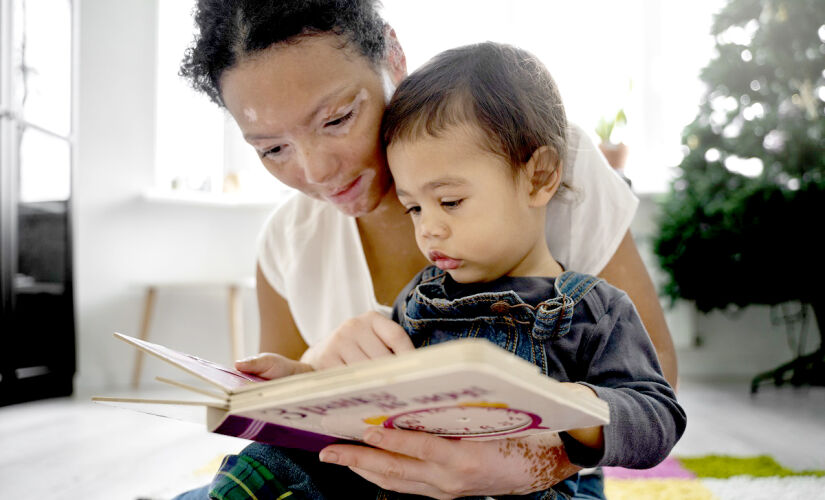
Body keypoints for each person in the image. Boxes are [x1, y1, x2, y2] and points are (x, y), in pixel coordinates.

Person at [175, 0, 679, 498]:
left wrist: (540, 458)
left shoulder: (531, 156)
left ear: (393, 56)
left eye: (337, 119)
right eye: (272, 149)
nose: (317, 170)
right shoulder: (293, 241)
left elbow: (653, 386)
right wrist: (315, 365)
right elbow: (283, 433)